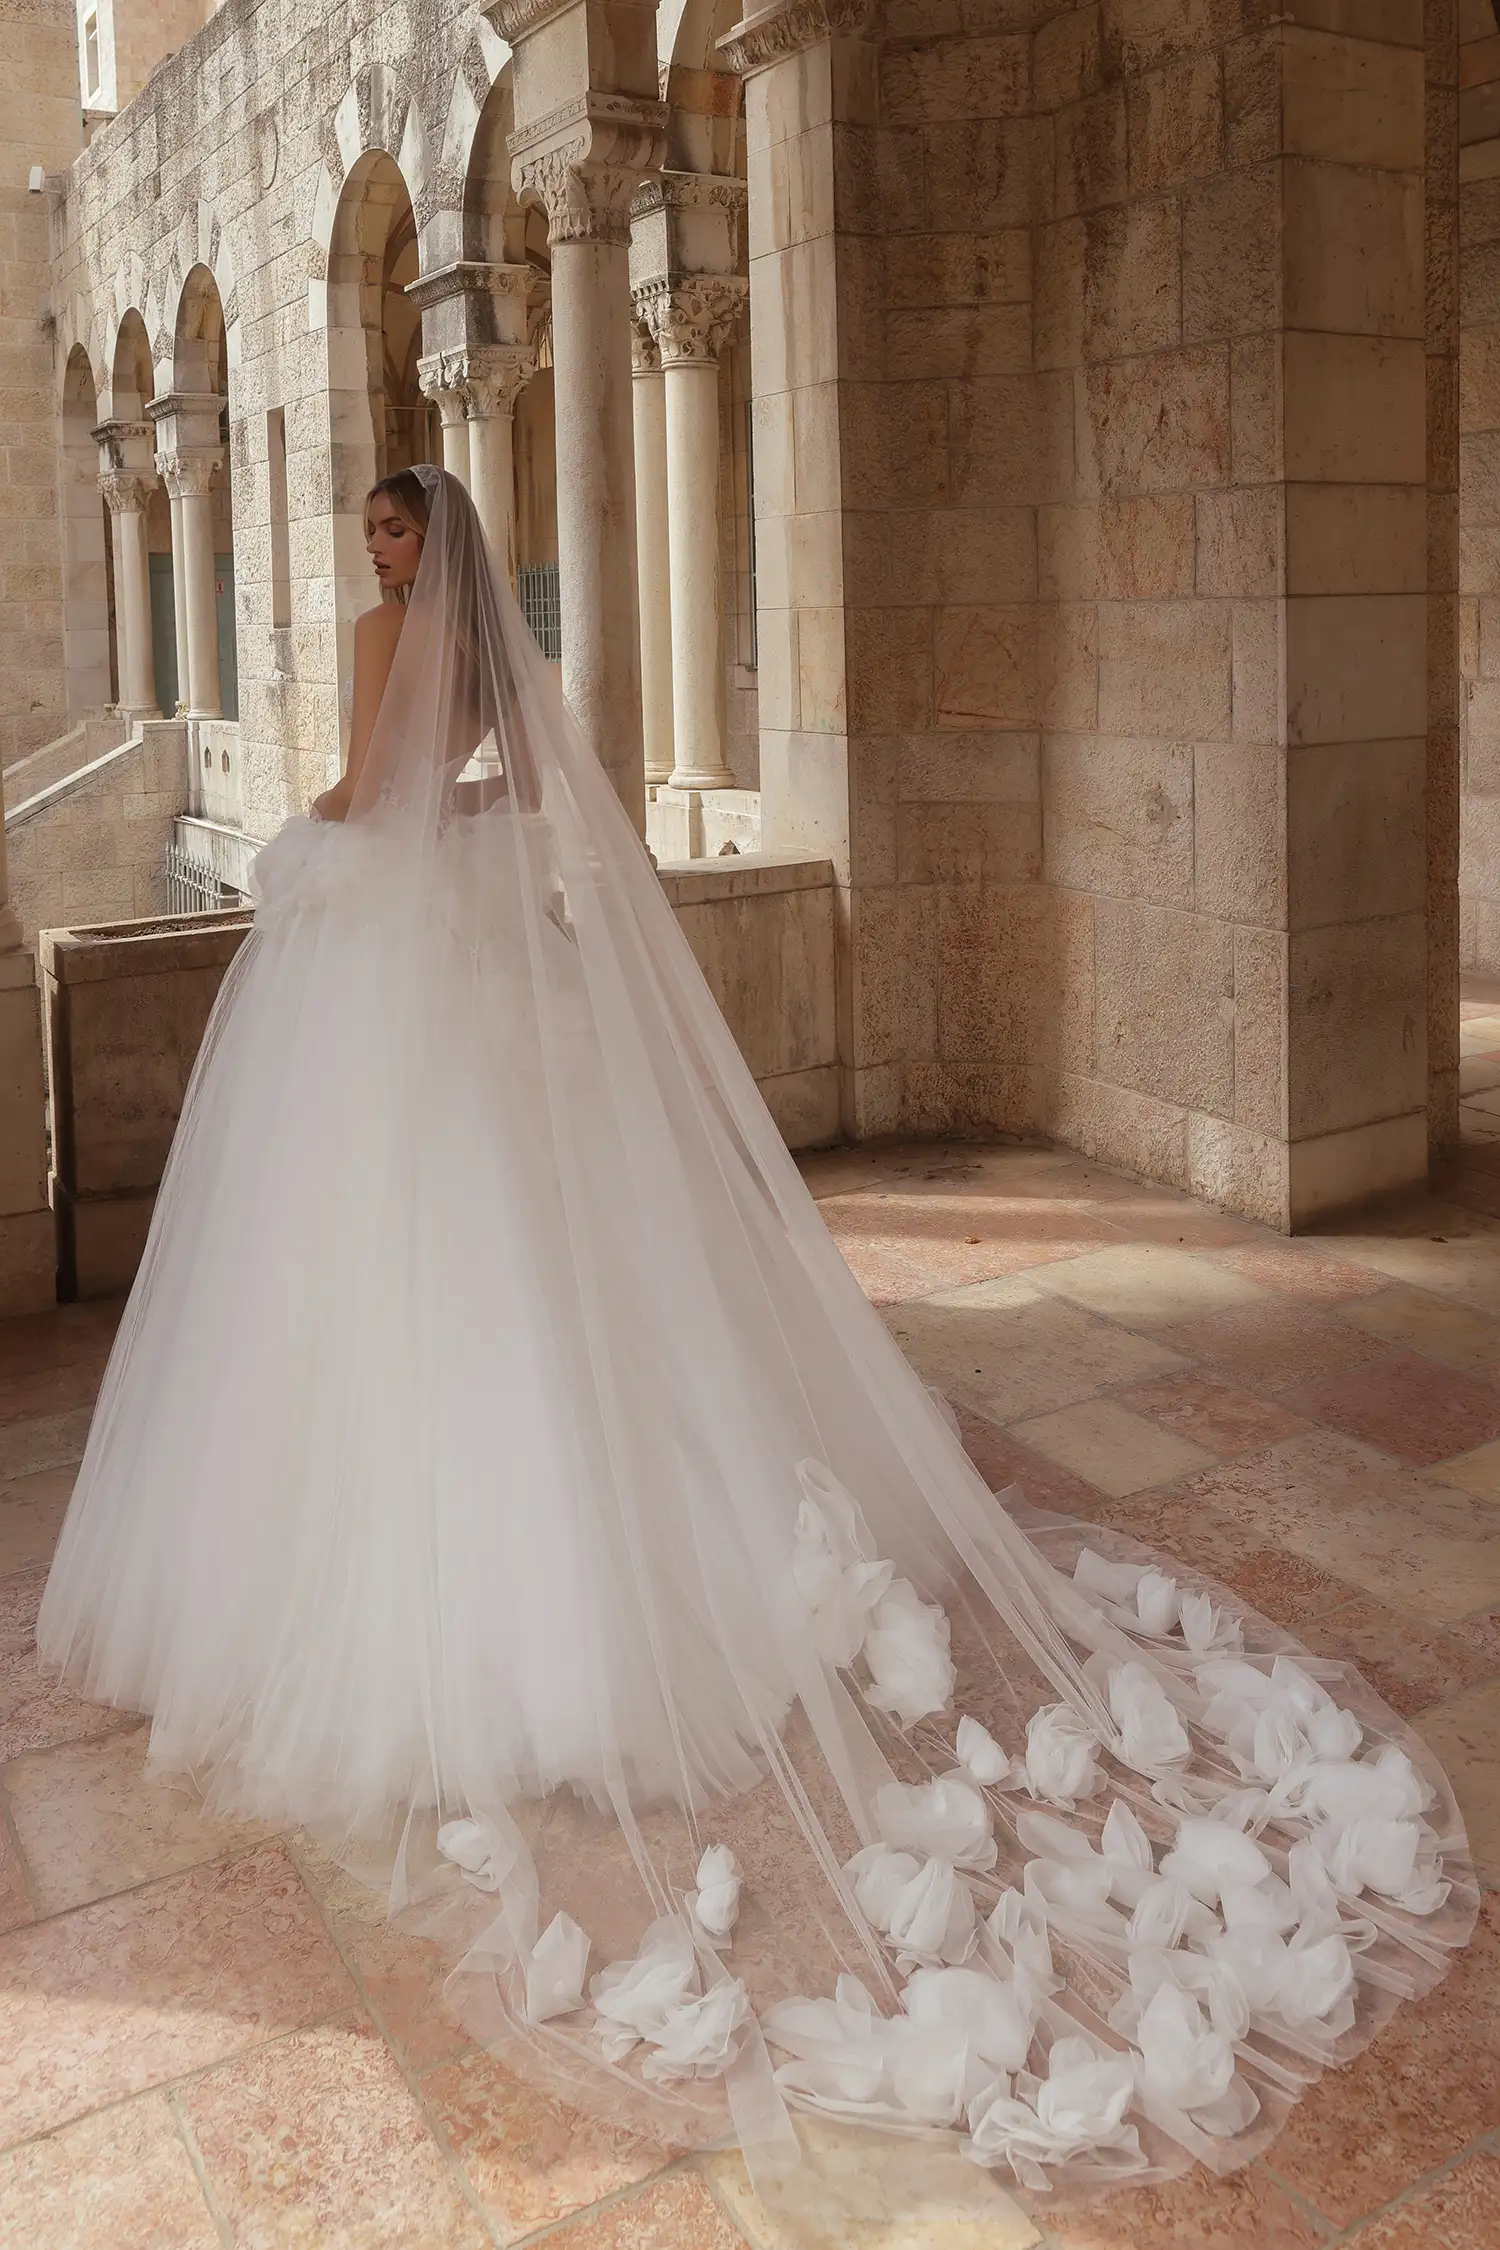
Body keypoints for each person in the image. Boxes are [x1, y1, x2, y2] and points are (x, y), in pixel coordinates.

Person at [37, 465, 1476, 2214]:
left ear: (427, 542)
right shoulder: (486, 647)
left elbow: (363, 790)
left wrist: (314, 837)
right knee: (518, 1241)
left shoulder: (384, 636)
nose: (379, 553)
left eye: (392, 531)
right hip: (466, 948)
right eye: (374, 537)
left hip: (396, 961)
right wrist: (438, 818)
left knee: (393, 1242)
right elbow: (502, 791)